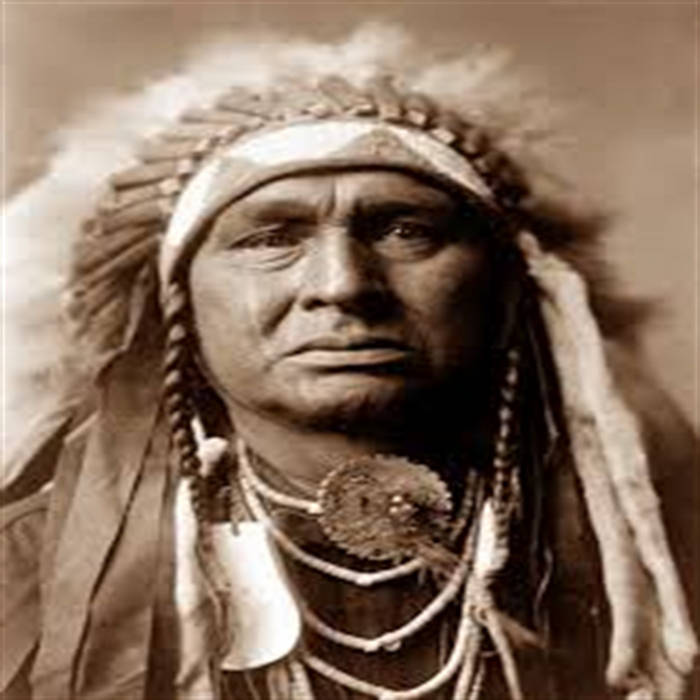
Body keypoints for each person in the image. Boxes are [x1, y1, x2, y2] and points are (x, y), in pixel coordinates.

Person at [1, 45, 698, 700]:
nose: (343, 285)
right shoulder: (29, 573)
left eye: (406, 231)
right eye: (272, 238)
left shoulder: (650, 563)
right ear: (174, 301)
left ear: (506, 289)